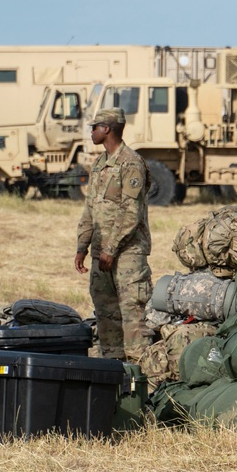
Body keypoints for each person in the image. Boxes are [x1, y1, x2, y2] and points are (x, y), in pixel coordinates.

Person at [74, 107, 153, 361]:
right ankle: (112, 371)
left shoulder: (131, 163)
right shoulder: (99, 165)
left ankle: (140, 380)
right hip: (101, 254)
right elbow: (91, 209)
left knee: (132, 316)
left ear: (107, 129)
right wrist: (82, 245)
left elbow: (131, 212)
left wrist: (111, 248)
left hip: (127, 253)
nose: (91, 132)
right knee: (105, 314)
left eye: (94, 127)